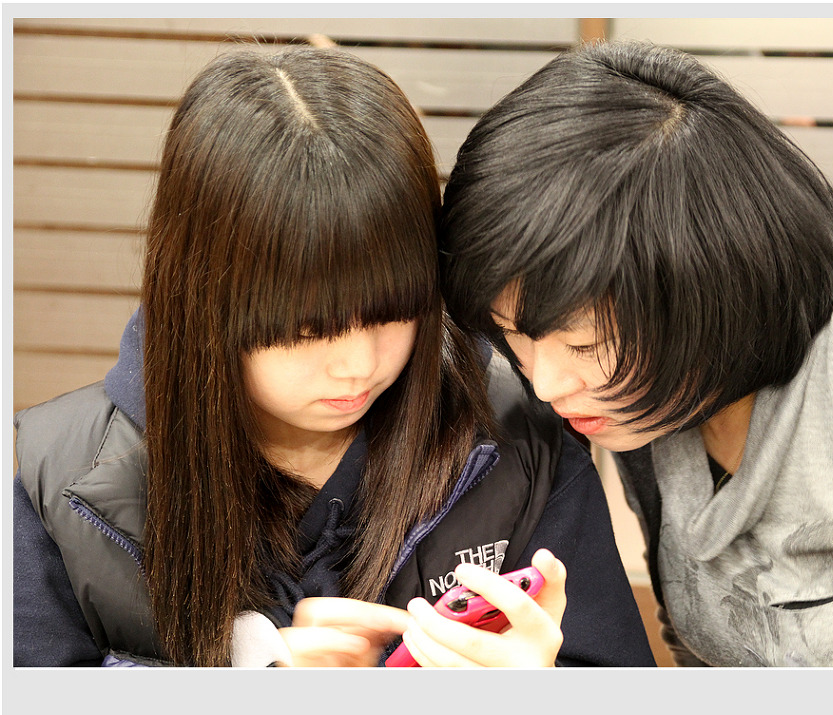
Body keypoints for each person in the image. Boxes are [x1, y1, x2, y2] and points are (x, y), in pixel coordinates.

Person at [13, 46, 656, 668]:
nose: (358, 364)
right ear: (202, 299)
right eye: (307, 330)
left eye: (391, 312)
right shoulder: (59, 482)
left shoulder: (519, 437)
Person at [438, 40, 833, 667]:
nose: (545, 385)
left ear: (708, 287)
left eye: (585, 344)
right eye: (512, 334)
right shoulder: (645, 407)